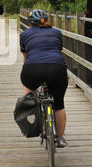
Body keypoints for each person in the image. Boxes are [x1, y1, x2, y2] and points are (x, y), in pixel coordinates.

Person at [20, 9, 68, 148]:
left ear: (29, 23)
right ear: (46, 20)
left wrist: (29, 73)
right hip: (56, 69)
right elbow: (57, 50)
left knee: (30, 89)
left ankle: (32, 106)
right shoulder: (56, 32)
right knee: (59, 105)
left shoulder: (24, 34)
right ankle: (60, 138)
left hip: (32, 69)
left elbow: (26, 57)